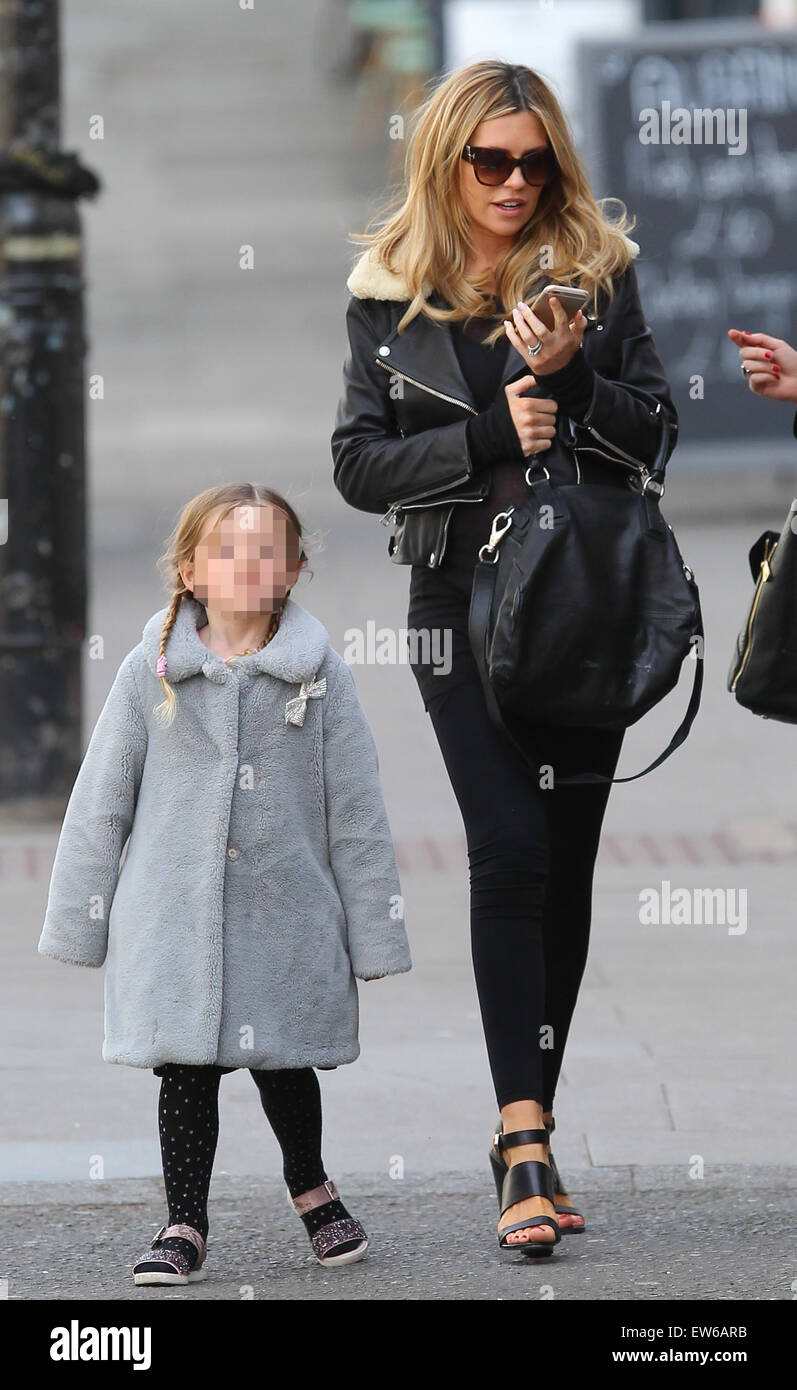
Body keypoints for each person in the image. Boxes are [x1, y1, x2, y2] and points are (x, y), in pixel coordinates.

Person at [331, 60, 677, 1255]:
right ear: (446, 162)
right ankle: (522, 1140)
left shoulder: (596, 274)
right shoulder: (388, 292)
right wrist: (487, 432)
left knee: (562, 870)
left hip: (582, 603)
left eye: (532, 162)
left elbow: (656, 432)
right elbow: (356, 463)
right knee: (508, 847)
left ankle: (527, 1126)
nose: (513, 182)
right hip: (454, 608)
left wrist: (574, 378)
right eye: (489, 160)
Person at [38, 482, 411, 1283]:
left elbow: (357, 815)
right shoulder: (151, 672)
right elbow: (101, 801)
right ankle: (184, 1222)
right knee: (185, 1071)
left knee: (286, 1063)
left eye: (267, 551)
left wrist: (375, 932)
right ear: (189, 571)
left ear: (295, 569)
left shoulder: (321, 677)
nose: (248, 565)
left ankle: (311, 1188)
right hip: (172, 922)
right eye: (228, 551)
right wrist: (79, 919)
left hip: (286, 918)